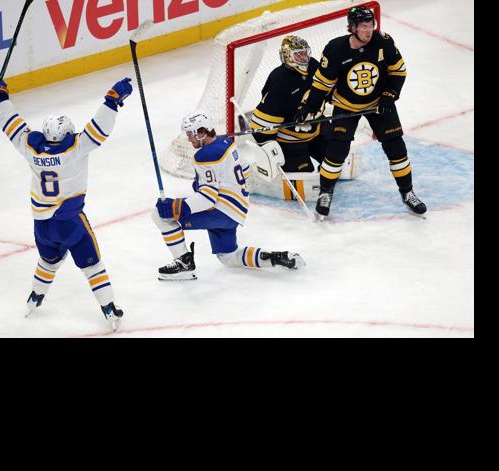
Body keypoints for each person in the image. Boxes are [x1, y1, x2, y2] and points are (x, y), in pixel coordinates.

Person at [0, 74, 131, 330]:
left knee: (48, 261)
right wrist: (112, 100)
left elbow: (11, 123)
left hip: (42, 226)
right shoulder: (75, 148)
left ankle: (35, 296)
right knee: (93, 267)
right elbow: (99, 128)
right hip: (70, 222)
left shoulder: (31, 148)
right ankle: (109, 308)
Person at [300, 5, 427, 219]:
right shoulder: (335, 49)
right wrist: (310, 106)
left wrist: (390, 95)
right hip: (346, 105)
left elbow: (399, 72)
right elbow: (322, 84)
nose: (369, 31)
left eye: (371, 25)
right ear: (352, 28)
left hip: (378, 104)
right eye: (363, 26)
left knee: (396, 148)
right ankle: (325, 193)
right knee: (337, 150)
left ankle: (407, 193)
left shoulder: (383, 42)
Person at [153, 111, 306, 280]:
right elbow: (245, 169)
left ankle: (184, 264)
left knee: (160, 215)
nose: (189, 139)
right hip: (236, 211)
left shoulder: (206, 155)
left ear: (201, 133)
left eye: (190, 134)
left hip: (220, 212)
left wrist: (176, 207)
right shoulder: (226, 143)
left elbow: (207, 198)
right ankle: (274, 258)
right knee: (228, 257)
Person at [247, 35, 325, 189]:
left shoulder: (314, 66)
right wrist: (269, 152)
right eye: (298, 54)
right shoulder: (280, 80)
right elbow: (261, 125)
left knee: (336, 159)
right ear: (287, 56)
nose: (304, 58)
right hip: (289, 141)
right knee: (307, 180)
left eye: (305, 53)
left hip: (317, 131)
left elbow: (328, 90)